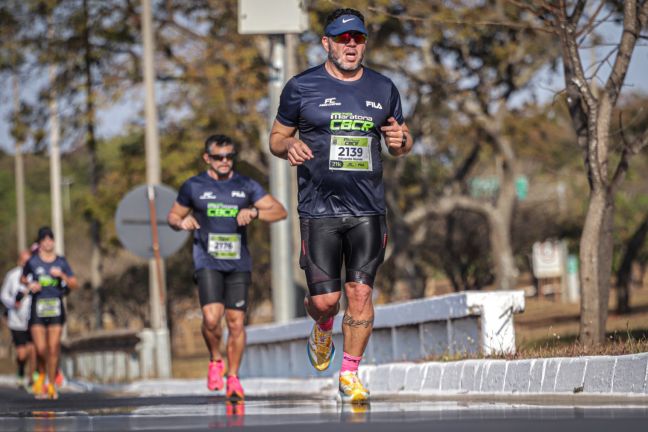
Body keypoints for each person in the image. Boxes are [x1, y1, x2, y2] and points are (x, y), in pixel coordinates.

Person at [269, 8, 413, 403]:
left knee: (361, 292)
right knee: (325, 300)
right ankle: (321, 326)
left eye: (358, 39)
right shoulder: (301, 87)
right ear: (326, 43)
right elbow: (276, 137)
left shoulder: (384, 88)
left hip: (367, 208)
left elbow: (401, 139)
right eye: (343, 39)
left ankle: (350, 373)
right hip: (319, 209)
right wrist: (288, 146)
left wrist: (402, 142)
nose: (351, 46)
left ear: (364, 44)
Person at [167, 134, 287, 401]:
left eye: (229, 157)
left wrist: (255, 213)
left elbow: (280, 211)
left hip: (238, 263)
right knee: (211, 318)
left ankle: (233, 378)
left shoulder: (246, 185)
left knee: (236, 323)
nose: (224, 162)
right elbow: (173, 215)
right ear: (207, 158)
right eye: (219, 157)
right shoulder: (194, 186)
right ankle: (215, 359)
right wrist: (181, 222)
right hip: (207, 260)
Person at [22, 227, 78, 399]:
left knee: (53, 349)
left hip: (55, 307)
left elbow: (74, 283)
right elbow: (23, 278)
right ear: (39, 243)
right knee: (40, 349)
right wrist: (30, 285)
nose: (48, 243)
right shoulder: (33, 262)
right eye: (44, 240)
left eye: (50, 239)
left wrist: (61, 276)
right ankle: (41, 374)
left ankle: (52, 384)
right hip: (38, 308)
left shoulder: (61, 262)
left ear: (53, 241)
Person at [1, 250, 36, 390]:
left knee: (33, 349)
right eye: (23, 260)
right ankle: (21, 369)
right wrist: (13, 303)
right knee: (22, 354)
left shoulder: (36, 274)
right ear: (19, 261)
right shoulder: (12, 275)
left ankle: (32, 378)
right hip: (16, 320)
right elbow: (3, 295)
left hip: (33, 318)